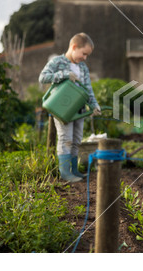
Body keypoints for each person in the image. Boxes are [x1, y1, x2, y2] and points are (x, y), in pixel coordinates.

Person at [39, 33, 101, 183]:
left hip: (78, 108)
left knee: (77, 140)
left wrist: (94, 105)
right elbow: (43, 77)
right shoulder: (57, 62)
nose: (85, 57)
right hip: (62, 107)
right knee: (66, 139)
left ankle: (74, 170)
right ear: (74, 47)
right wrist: (65, 74)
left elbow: (88, 89)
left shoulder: (83, 68)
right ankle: (65, 173)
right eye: (84, 53)